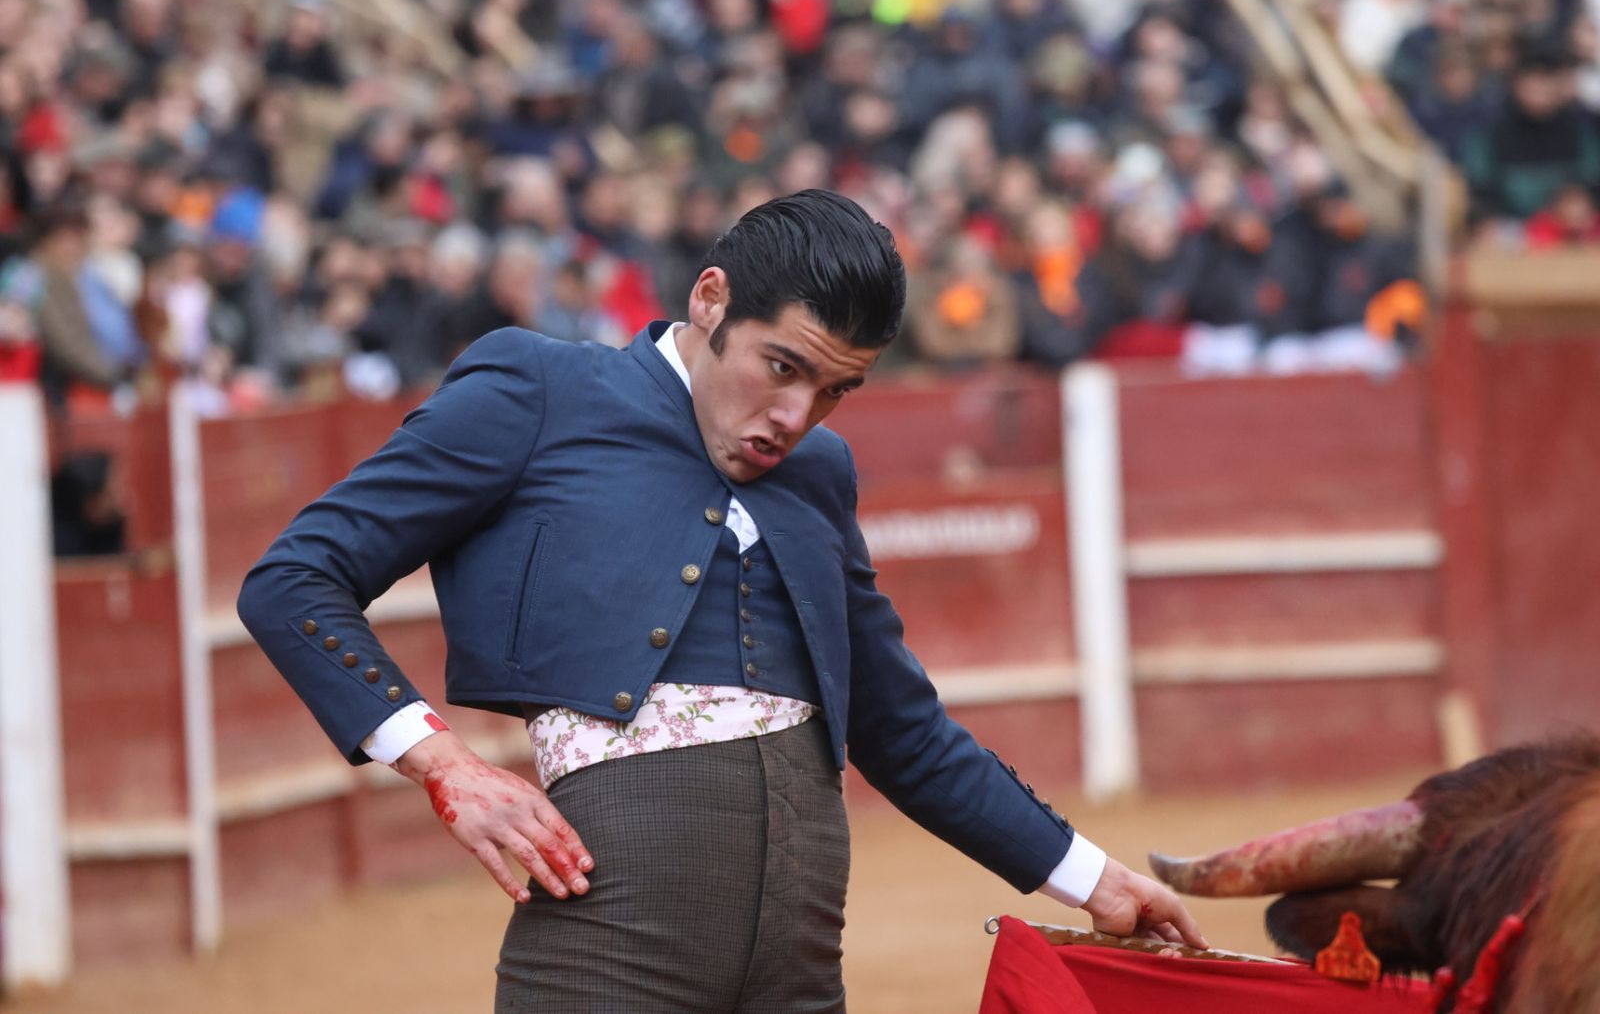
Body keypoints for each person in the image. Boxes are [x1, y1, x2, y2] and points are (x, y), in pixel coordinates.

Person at [237, 190, 1204, 1012]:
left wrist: (1090, 876)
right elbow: (293, 580)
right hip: (606, 947)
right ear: (710, 301)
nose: (796, 417)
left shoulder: (819, 473)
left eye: (836, 390)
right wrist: (444, 764)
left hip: (799, 962)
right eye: (782, 367)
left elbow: (901, 730)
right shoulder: (538, 391)